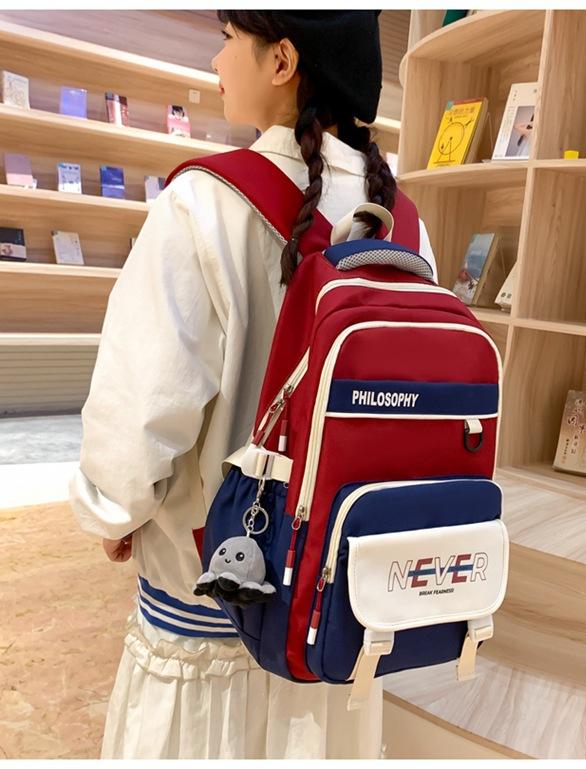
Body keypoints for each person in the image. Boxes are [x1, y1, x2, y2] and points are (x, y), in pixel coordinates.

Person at [68, 9, 438, 761]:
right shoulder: (407, 227)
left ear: (282, 62)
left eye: (229, 38)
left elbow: (141, 410)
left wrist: (113, 511)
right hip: (339, 619)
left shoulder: (201, 204)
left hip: (212, 606)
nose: (216, 60)